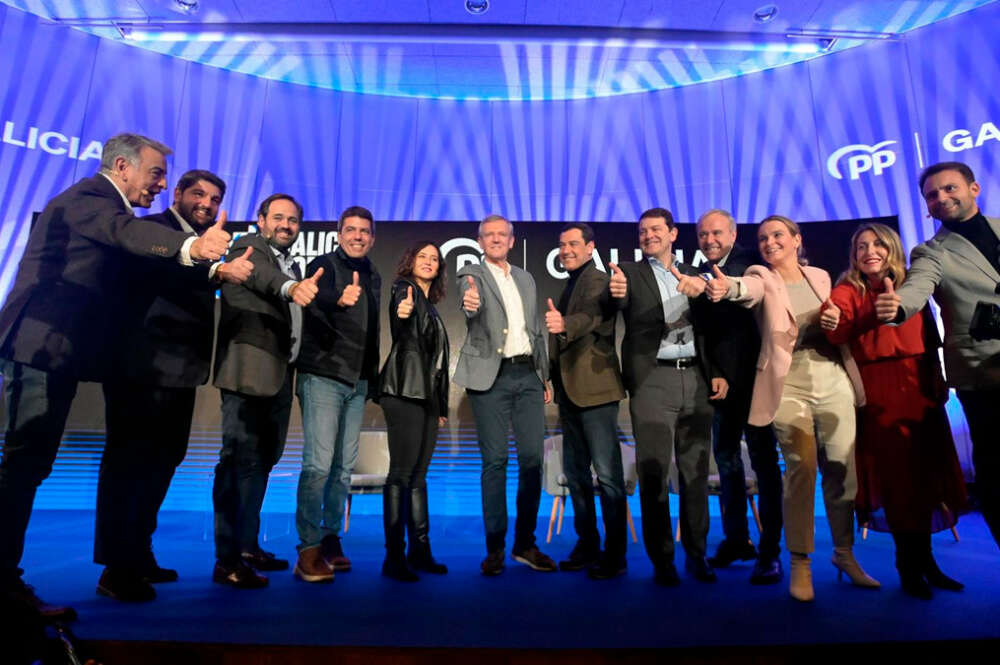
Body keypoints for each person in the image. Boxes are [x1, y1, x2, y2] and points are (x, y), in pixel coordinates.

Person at [0, 134, 230, 621]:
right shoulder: (92, 198)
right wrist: (192, 247)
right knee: (22, 467)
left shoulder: (107, 207)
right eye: (155, 174)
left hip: (59, 352)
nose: (161, 184)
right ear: (122, 167)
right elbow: (128, 234)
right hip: (41, 345)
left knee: (27, 467)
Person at [96, 170, 254, 601]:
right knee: (129, 465)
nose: (207, 203)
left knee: (164, 460)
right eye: (198, 194)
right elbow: (156, 275)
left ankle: (137, 551)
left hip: (181, 370)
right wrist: (215, 272)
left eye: (215, 197)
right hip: (140, 368)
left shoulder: (208, 242)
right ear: (179, 194)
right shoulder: (153, 230)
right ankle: (115, 567)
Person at [706, 215, 878, 602]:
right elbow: (744, 288)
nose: (769, 243)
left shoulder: (819, 276)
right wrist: (725, 286)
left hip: (832, 377)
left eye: (778, 235)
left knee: (841, 468)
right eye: (764, 238)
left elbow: (840, 325)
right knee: (802, 469)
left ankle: (844, 554)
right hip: (787, 384)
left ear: (797, 239)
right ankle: (800, 562)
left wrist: (835, 320)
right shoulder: (761, 276)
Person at [826, 223, 967, 599]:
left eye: (877, 244)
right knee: (900, 485)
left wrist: (938, 380)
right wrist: (853, 316)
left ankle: (927, 563)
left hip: (920, 387)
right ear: (853, 256)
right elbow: (836, 327)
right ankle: (908, 566)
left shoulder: (913, 284)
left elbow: (930, 336)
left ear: (891, 248)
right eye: (860, 246)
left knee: (926, 481)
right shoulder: (848, 289)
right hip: (880, 392)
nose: (869, 250)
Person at [875, 161, 1000, 549]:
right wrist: (896, 307)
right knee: (997, 477)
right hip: (984, 376)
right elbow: (916, 290)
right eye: (932, 195)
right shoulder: (931, 251)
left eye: (949, 189)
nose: (941, 198)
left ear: (973, 188)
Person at [608, 208, 726, 586]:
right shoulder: (628, 273)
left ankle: (697, 554)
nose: (648, 235)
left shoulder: (700, 274)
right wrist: (618, 295)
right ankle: (662, 559)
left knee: (695, 474)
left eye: (656, 229)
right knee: (654, 472)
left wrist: (718, 370)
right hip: (652, 380)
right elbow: (616, 303)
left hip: (695, 377)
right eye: (642, 231)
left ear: (673, 233)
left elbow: (714, 329)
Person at [211, 193, 322, 589]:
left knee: (260, 464)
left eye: (293, 220)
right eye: (278, 218)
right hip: (247, 375)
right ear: (261, 220)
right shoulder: (249, 248)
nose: (286, 225)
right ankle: (226, 561)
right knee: (236, 464)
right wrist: (291, 289)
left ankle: (246, 546)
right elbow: (259, 275)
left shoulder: (288, 261)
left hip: (278, 377)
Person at [455, 215, 557, 576]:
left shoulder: (526, 279)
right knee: (495, 462)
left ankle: (525, 544)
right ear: (480, 241)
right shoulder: (471, 273)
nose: (496, 240)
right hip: (491, 379)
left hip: (528, 374)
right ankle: (495, 547)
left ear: (512, 241)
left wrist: (544, 375)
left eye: (502, 235)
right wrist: (470, 302)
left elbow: (536, 331)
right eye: (489, 235)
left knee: (533, 461)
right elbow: (469, 300)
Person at [695, 209, 784, 585]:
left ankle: (770, 553)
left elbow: (754, 329)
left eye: (716, 232)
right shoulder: (702, 272)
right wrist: (715, 372)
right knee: (727, 462)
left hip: (758, 384)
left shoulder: (753, 267)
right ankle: (736, 540)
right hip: (723, 387)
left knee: (764, 468)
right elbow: (705, 332)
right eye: (702, 234)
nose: (709, 239)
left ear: (732, 233)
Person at [292, 206, 380, 583]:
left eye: (364, 231)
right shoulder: (323, 264)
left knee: (342, 469)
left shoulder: (373, 274)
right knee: (318, 466)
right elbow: (313, 299)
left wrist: (370, 379)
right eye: (350, 230)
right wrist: (337, 300)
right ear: (338, 233)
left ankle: (330, 538)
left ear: (372, 237)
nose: (357, 236)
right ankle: (307, 549)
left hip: (357, 382)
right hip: (324, 375)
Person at [547, 223, 628, 580]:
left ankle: (615, 553)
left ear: (590, 246)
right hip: (570, 393)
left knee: (608, 477)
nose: (566, 250)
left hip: (596, 391)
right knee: (577, 476)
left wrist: (565, 322)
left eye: (573, 244)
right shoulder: (570, 282)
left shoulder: (595, 279)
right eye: (562, 244)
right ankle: (588, 544)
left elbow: (592, 314)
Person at [377, 241, 450, 581]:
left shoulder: (430, 304)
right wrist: (402, 312)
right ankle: (394, 558)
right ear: (410, 260)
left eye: (434, 259)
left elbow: (435, 363)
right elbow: (400, 317)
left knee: (418, 477)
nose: (429, 262)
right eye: (422, 255)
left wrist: (439, 406)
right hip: (403, 390)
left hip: (426, 399)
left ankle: (419, 551)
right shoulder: (403, 290)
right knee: (401, 474)